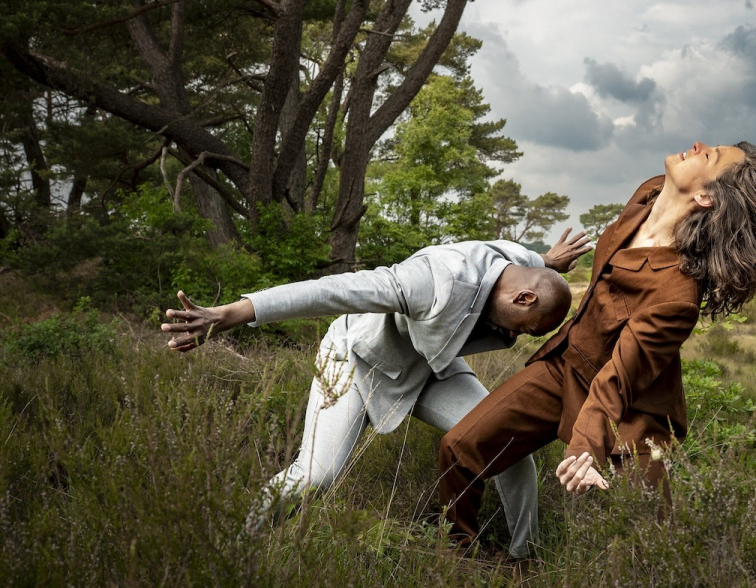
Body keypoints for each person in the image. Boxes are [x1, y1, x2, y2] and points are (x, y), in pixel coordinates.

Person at [438, 141, 756, 546]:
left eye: (709, 155)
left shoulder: (677, 296)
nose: (698, 145)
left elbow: (617, 378)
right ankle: (457, 558)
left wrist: (584, 447)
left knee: (651, 535)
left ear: (705, 196)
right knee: (459, 447)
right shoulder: (649, 193)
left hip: (631, 409)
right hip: (566, 365)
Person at [160, 235, 591, 559]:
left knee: (508, 447)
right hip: (358, 359)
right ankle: (232, 549)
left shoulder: (514, 264)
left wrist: (549, 260)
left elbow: (533, 262)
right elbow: (330, 290)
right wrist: (232, 313)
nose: (514, 337)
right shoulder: (432, 280)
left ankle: (522, 560)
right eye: (525, 326)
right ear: (523, 297)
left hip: (428, 366)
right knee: (316, 474)